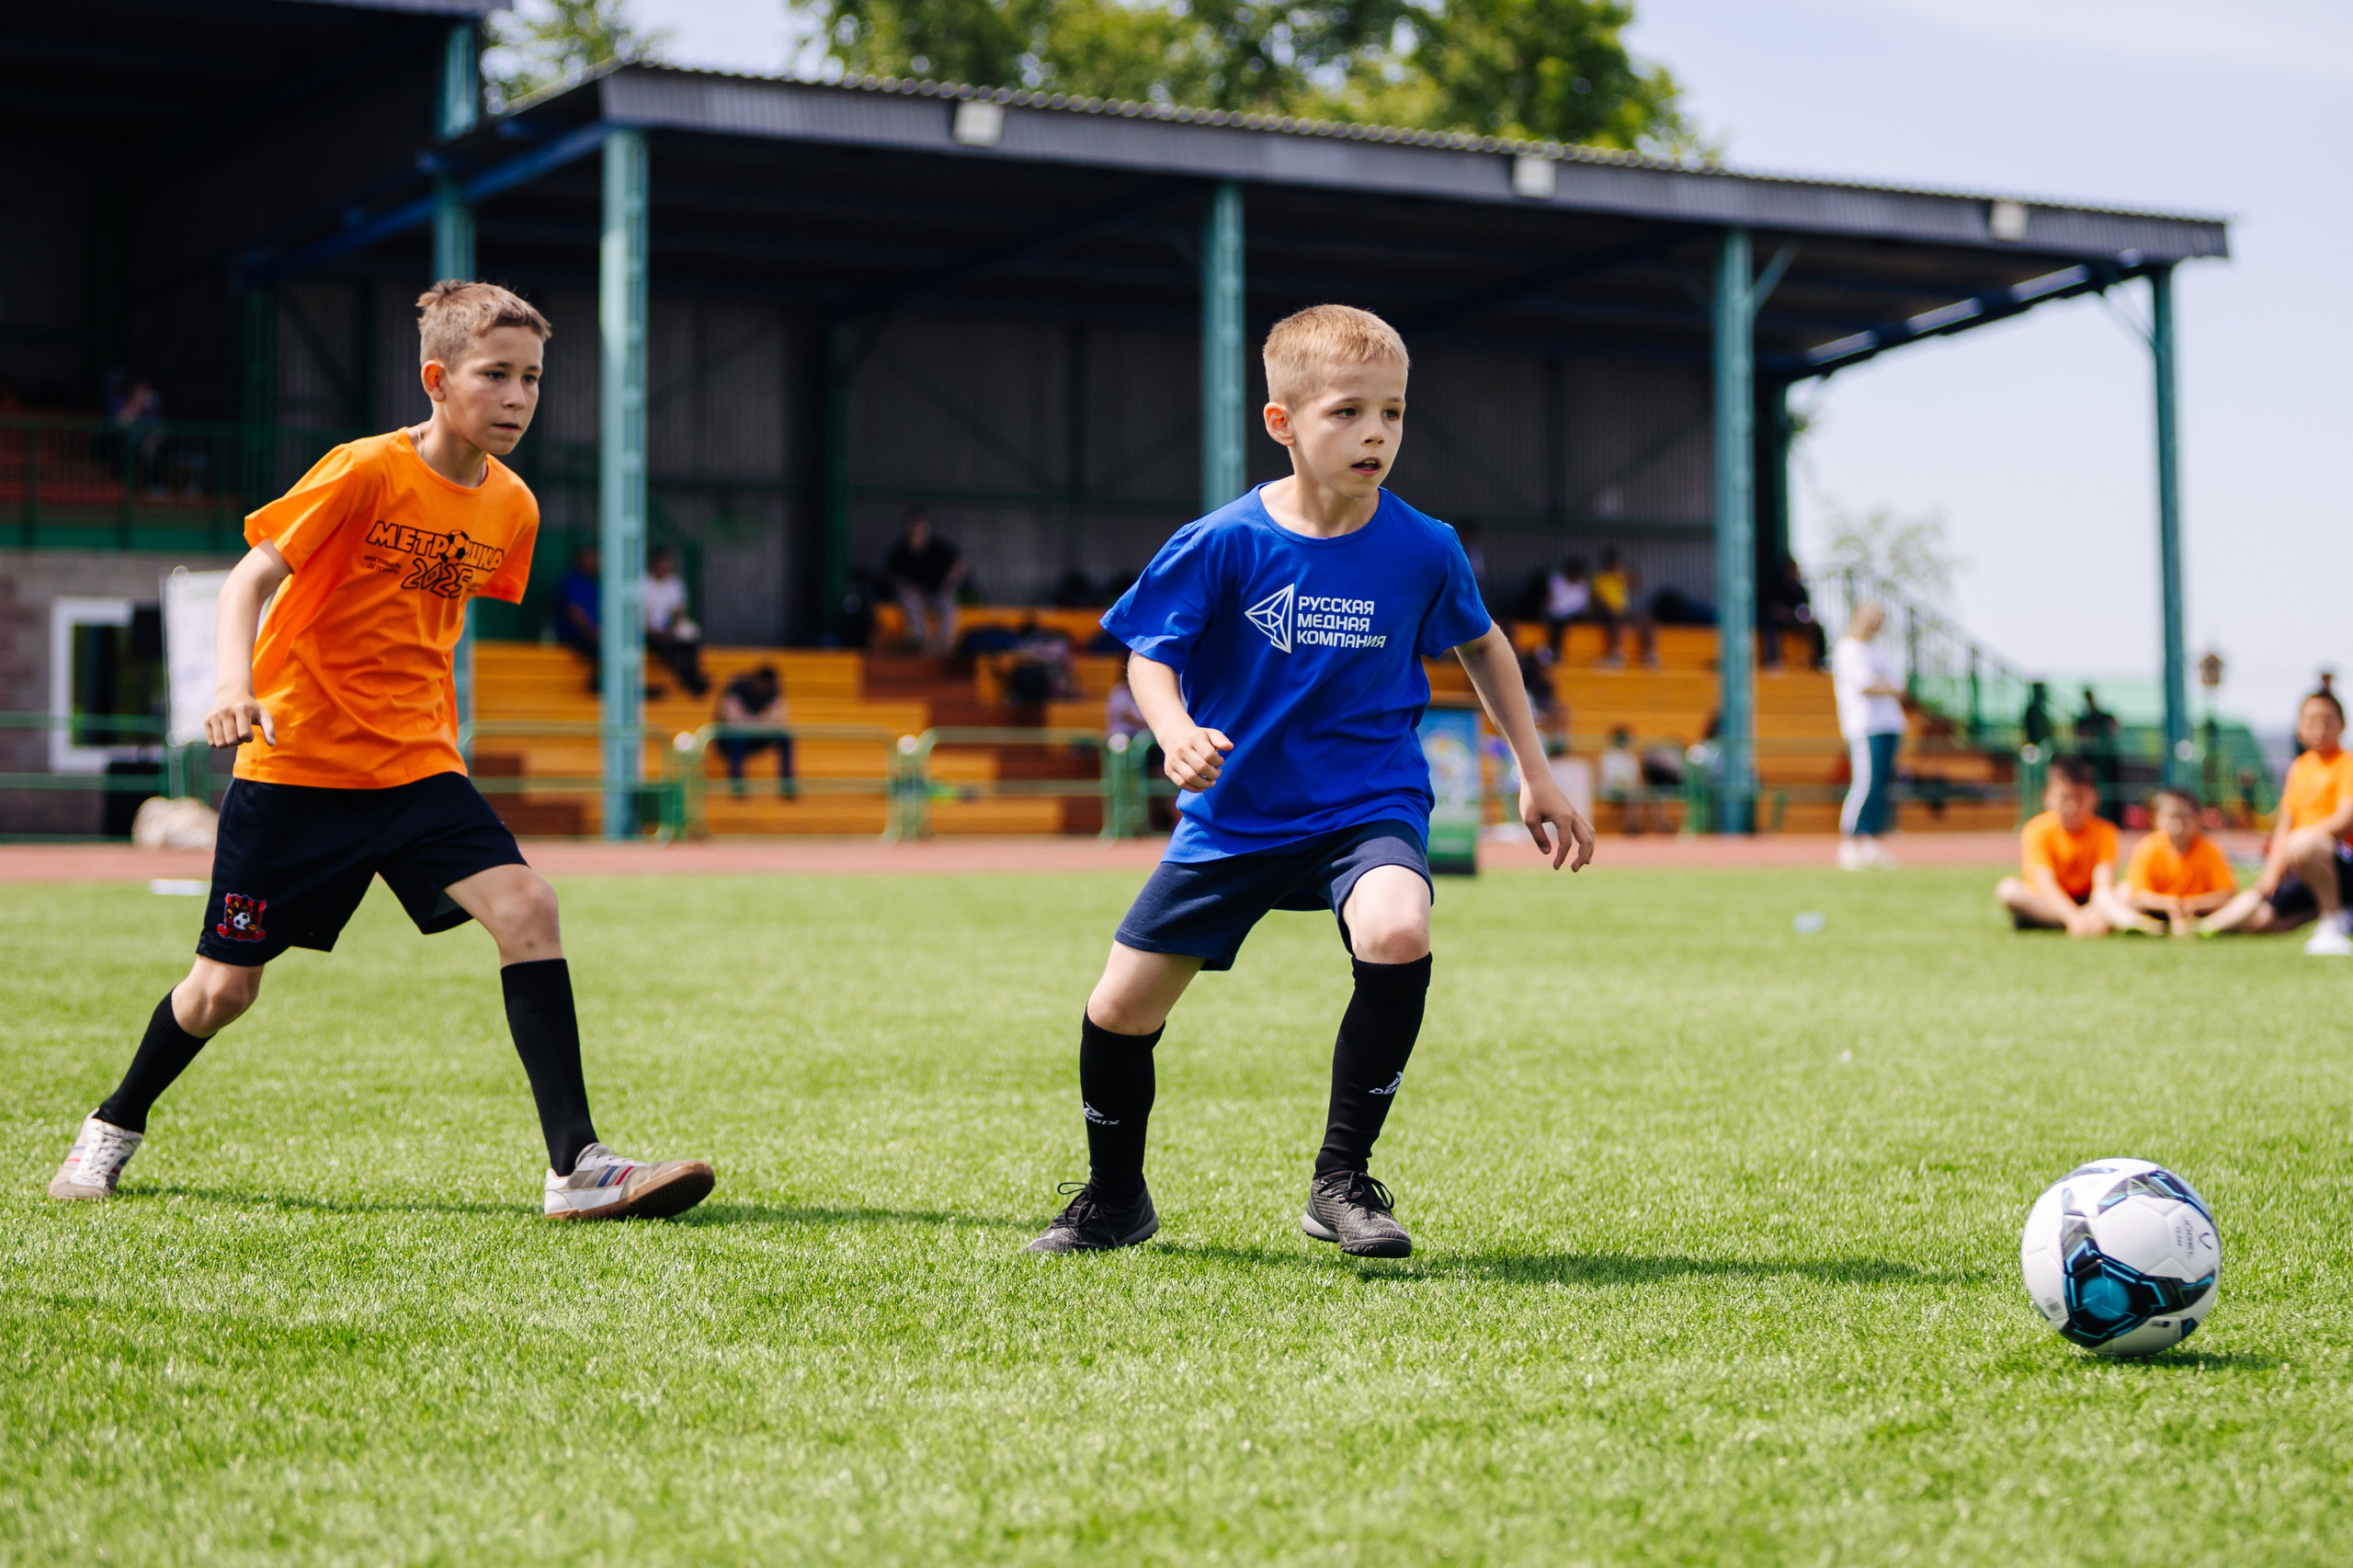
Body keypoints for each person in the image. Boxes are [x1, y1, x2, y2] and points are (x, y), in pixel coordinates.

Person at [45, 280, 712, 1221]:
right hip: (296, 772)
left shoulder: (512, 507)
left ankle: (576, 1166)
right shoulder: (362, 469)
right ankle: (113, 1122)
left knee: (528, 906)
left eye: (531, 379)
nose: (518, 396)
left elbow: (423, 619)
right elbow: (251, 576)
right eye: (496, 375)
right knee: (222, 990)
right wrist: (232, 686)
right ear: (438, 379)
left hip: (416, 768)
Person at [1025, 303, 1594, 1260]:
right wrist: (1171, 730)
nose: (1376, 433)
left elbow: (1485, 645)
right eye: (1347, 412)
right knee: (1119, 1008)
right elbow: (1148, 658)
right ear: (1282, 422)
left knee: (1397, 926)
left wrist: (1532, 774)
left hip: (1366, 797)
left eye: (1394, 413)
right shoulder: (1221, 541)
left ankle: (1342, 1180)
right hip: (1237, 814)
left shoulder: (1426, 545)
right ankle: (1114, 1199)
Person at [2200, 689, 2353, 951]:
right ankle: (2338, 911)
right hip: (2302, 862)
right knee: (2261, 922)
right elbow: (2285, 825)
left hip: (2338, 859)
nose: (2319, 728)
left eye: (2327, 720)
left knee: (2305, 844)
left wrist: (2304, 840)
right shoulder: (2299, 768)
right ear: (2299, 728)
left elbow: (2345, 817)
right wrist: (2271, 872)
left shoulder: (2346, 763)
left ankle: (2333, 920)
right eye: (2311, 721)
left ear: (2342, 725)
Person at [1996, 756, 2135, 936]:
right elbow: (2045, 884)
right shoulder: (2037, 830)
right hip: (2048, 901)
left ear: (2094, 797)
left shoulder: (2106, 832)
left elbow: (2104, 884)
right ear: (2047, 797)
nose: (2072, 807)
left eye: (2080, 798)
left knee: (2127, 889)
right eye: (2064, 798)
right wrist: (2073, 918)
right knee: (2008, 890)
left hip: (2089, 901)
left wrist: (2086, 911)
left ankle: (2061, 922)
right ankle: (2084, 923)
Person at [1832, 601, 1907, 870]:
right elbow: (1865, 684)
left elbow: (1899, 684)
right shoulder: (1847, 649)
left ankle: (1871, 840)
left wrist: (1885, 686)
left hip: (1890, 723)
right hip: (1864, 725)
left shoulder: (1877, 649)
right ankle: (1851, 840)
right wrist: (1885, 686)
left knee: (1882, 785)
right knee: (1866, 782)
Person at [2119, 786, 2236, 937]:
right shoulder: (2148, 847)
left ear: (2197, 818)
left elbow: (2226, 893)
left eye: (2184, 816)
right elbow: (2137, 893)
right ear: (2157, 819)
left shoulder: (2210, 849)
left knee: (2249, 902)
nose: (2178, 824)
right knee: (2119, 892)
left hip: (2201, 913)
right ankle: (2140, 924)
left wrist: (2191, 905)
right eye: (2171, 816)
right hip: (2155, 912)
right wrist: (2170, 904)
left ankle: (2205, 927)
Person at [884, 509, 967, 654]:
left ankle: (946, 644)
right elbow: (892, 575)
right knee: (909, 599)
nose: (917, 533)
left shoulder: (938, 546)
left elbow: (960, 561)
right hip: (914, 594)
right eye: (913, 529)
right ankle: (919, 640)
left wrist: (949, 582)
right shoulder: (900, 550)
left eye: (920, 529)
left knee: (948, 602)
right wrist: (910, 587)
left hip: (936, 591)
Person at [642, 544, 709, 697]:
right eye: (662, 564)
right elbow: (641, 618)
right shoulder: (643, 584)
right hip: (650, 630)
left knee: (691, 634)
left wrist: (672, 628)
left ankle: (691, 673)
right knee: (669, 647)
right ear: (653, 564)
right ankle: (689, 679)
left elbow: (678, 611)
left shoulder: (675, 584)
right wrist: (659, 632)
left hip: (669, 629)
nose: (665, 568)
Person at [716, 664, 791, 796]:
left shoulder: (774, 692)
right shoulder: (737, 688)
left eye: (768, 686)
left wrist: (752, 723)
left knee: (785, 737)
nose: (764, 689)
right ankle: (736, 782)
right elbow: (732, 720)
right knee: (738, 736)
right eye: (762, 684)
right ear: (756, 680)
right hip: (728, 740)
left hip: (754, 737)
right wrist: (761, 721)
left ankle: (787, 783)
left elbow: (780, 720)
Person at [1591, 547, 1656, 667]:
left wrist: (1635, 568)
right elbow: (1597, 600)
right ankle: (1616, 655)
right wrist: (1611, 610)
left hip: (1621, 612)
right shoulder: (1599, 578)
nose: (1613, 565)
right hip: (1604, 612)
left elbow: (1638, 583)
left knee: (1647, 620)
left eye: (1615, 563)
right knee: (1616, 619)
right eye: (1611, 562)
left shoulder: (1620, 576)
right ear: (1606, 563)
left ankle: (1650, 655)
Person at [1759, 555, 1824, 670]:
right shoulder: (1776, 586)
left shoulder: (1800, 589)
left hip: (1795, 620)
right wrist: (1783, 613)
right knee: (1769, 624)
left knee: (1816, 627)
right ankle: (1773, 660)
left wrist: (1804, 618)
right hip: (1779, 621)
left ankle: (1818, 661)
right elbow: (1771, 606)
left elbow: (1804, 610)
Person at [554, 545, 600, 692]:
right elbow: (574, 612)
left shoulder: (593, 583)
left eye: (595, 557)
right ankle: (598, 684)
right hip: (574, 637)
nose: (594, 561)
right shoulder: (572, 581)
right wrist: (594, 634)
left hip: (592, 635)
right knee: (606, 649)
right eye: (590, 557)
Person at [2074, 687, 2121, 824]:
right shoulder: (2083, 720)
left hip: (2107, 763)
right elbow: (2082, 737)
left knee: (2111, 792)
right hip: (2091, 763)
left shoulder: (2106, 716)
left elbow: (2115, 730)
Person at [1542, 556, 1590, 658]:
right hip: (1556, 615)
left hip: (1573, 616)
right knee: (1559, 625)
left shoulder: (1582, 585)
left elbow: (1583, 608)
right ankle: (1555, 652)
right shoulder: (1557, 580)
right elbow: (1549, 604)